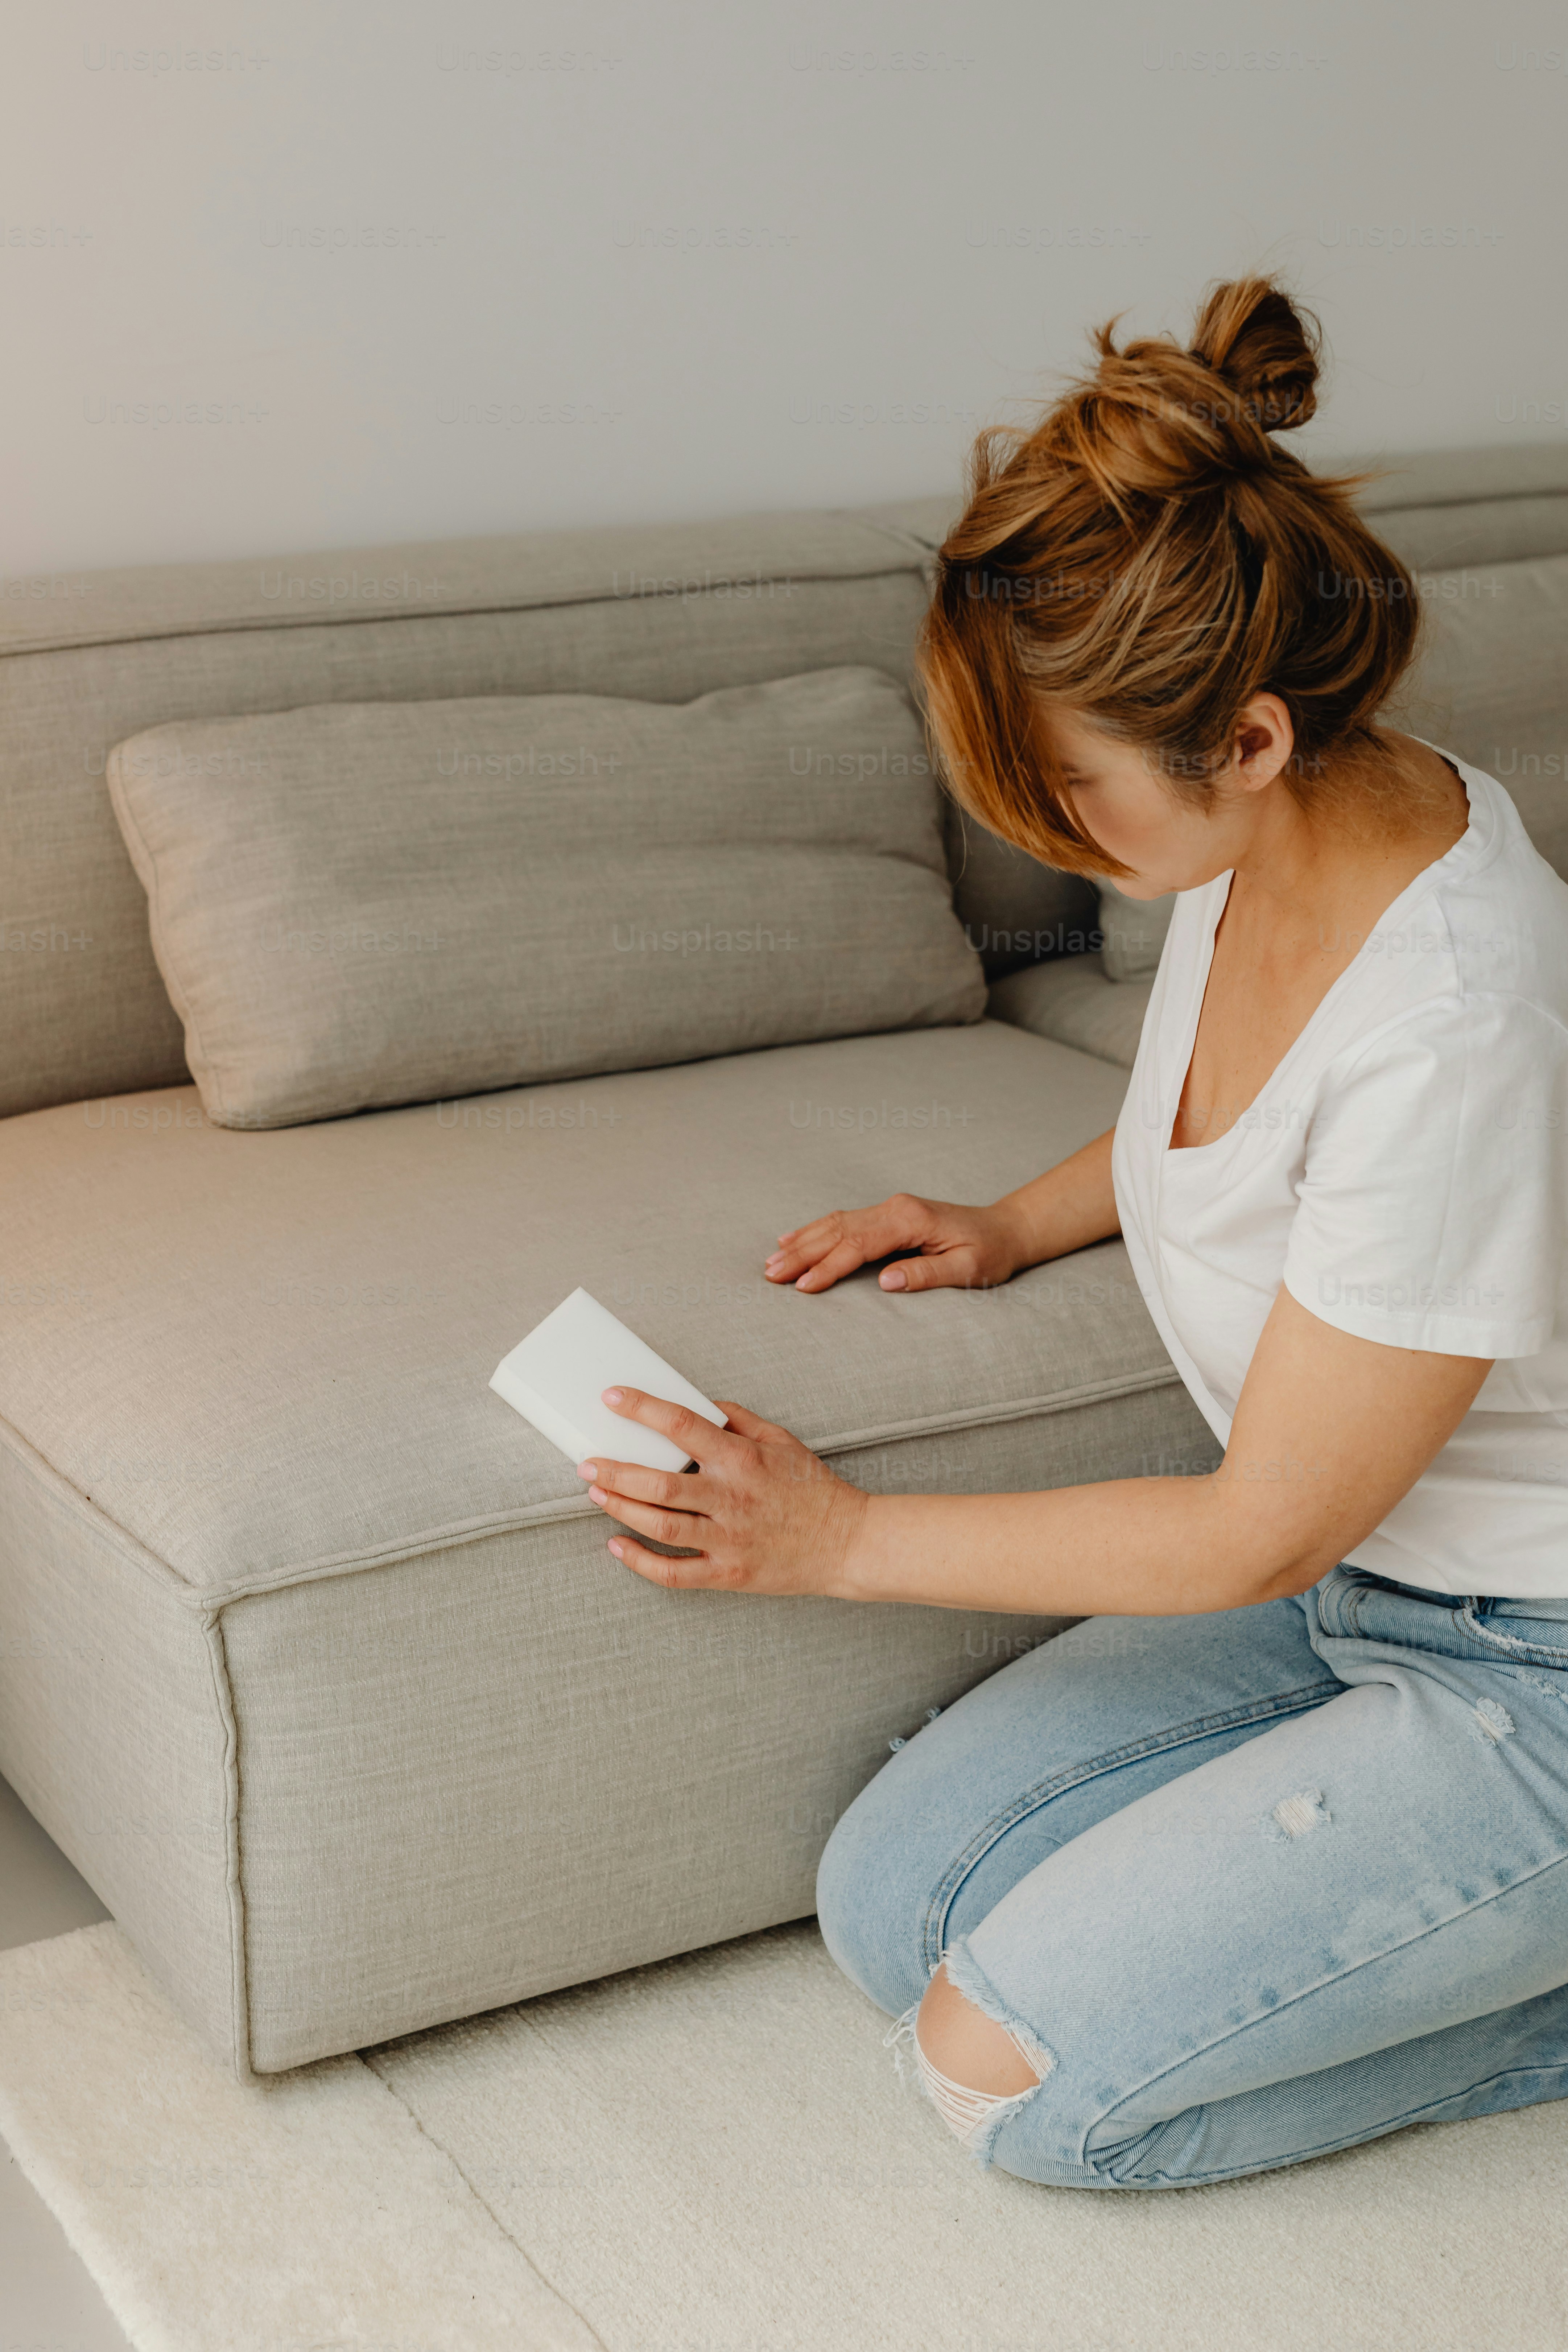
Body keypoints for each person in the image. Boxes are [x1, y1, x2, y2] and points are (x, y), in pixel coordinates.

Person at [574, 277, 1568, 2190]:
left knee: (1012, 2085)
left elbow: (1250, 1524)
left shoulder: (1458, 1023)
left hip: (1532, 1657)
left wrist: (840, 1538)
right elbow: (1229, 1115)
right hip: (1364, 1582)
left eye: (1070, 793)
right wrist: (1007, 1219)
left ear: (1253, 736)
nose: (1042, 834)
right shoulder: (1262, 838)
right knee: (894, 1902)